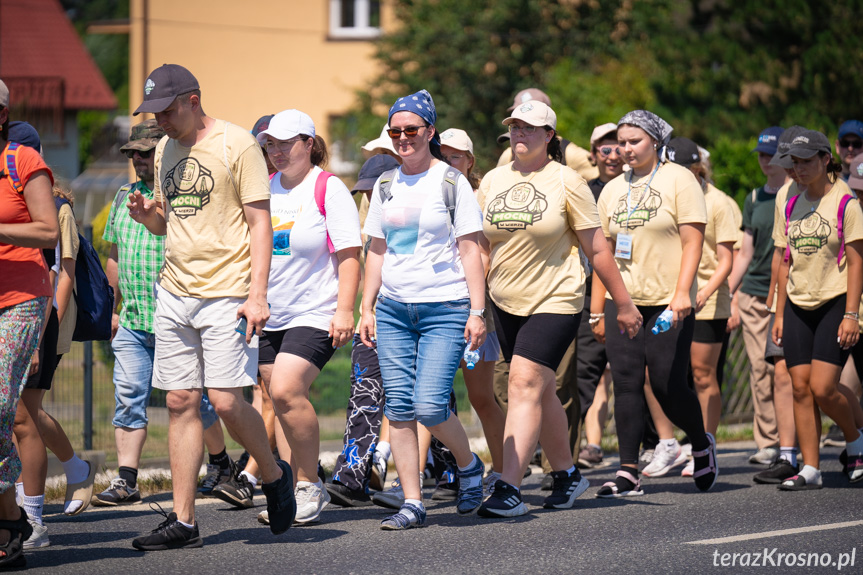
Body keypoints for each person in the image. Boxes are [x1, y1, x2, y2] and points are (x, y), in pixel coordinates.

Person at [126, 64, 295, 549]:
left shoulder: (236, 144)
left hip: (228, 291)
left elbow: (260, 224)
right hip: (175, 290)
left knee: (224, 400)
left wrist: (257, 294)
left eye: (166, 110)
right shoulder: (162, 149)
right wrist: (146, 216)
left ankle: (273, 471)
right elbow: (167, 223)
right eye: (152, 112)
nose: (159, 120)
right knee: (180, 401)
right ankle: (184, 523)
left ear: (193, 99)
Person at [475, 100, 640, 518]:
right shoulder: (492, 181)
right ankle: (567, 474)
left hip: (557, 298)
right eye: (514, 127)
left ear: (549, 136)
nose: (519, 135)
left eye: (529, 128)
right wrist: (473, 303)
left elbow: (597, 247)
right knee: (542, 388)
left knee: (523, 383)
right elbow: (480, 247)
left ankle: (509, 486)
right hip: (505, 300)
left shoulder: (567, 180)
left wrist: (623, 303)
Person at [359, 89, 487, 530]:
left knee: (430, 405)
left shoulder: (452, 183)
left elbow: (470, 250)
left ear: (430, 131)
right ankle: (412, 502)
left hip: (445, 307)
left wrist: (477, 311)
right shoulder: (385, 184)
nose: (402, 138)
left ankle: (469, 466)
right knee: (398, 407)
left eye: (410, 130)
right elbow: (376, 248)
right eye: (394, 131)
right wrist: (367, 306)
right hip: (394, 308)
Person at [93, 120, 230, 508]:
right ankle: (126, 479)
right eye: (133, 153)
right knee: (128, 395)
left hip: (176, 315)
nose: (138, 159)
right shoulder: (122, 197)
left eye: (146, 152)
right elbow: (115, 254)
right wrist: (112, 308)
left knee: (194, 401)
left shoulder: (179, 193)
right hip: (134, 319)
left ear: (165, 153)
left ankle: (220, 464)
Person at [591, 110, 719, 498]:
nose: (626, 149)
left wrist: (683, 294)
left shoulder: (679, 180)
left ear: (655, 142)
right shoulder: (613, 189)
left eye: (635, 142)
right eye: (622, 143)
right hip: (624, 300)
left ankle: (700, 442)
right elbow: (604, 251)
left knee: (666, 383)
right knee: (627, 383)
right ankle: (629, 470)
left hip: (668, 300)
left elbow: (693, 240)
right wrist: (599, 307)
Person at [253, 109, 362, 524]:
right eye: (270, 144)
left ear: (308, 143)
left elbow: (350, 254)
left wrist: (344, 310)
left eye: (284, 142)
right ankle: (293, 491)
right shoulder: (264, 188)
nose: (276, 151)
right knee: (280, 402)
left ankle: (308, 483)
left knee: (284, 390)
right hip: (269, 312)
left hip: (315, 311)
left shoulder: (328, 188)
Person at [640, 137, 737, 478]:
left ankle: (704, 444)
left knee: (702, 374)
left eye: (688, 168)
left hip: (707, 300)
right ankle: (667, 444)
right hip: (672, 297)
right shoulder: (659, 195)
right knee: (658, 373)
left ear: (699, 168)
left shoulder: (719, 202)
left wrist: (706, 291)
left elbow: (727, 259)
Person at [772, 129, 863, 489]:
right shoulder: (788, 197)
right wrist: (778, 314)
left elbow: (857, 263)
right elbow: (783, 259)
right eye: (795, 162)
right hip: (797, 301)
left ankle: (854, 439)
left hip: (835, 299)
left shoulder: (846, 203)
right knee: (799, 386)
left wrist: (852, 314)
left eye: (807, 161)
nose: (800, 169)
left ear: (826, 160)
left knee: (824, 388)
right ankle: (810, 468)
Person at [0, 77, 59, 569]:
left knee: (1, 407)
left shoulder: (22, 161)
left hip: (20, 298)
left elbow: (48, 230)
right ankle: (11, 518)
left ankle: (16, 518)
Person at [326, 154, 400, 507]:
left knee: (426, 403)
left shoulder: (413, 217)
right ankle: (351, 475)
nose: (370, 198)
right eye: (365, 192)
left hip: (417, 321)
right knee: (364, 395)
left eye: (375, 190)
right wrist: (361, 311)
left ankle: (457, 469)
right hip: (372, 322)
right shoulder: (369, 227)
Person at [728, 126, 799, 483]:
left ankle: (795, 437)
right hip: (755, 292)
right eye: (761, 154)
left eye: (771, 154)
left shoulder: (796, 193)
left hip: (789, 292)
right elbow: (746, 251)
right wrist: (729, 291)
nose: (765, 160)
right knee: (761, 368)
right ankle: (769, 441)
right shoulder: (755, 198)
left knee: (787, 370)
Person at [439, 128, 505, 488]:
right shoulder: (428, 188)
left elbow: (485, 254)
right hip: (432, 303)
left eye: (456, 156)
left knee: (481, 396)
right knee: (427, 397)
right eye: (443, 154)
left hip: (473, 307)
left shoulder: (479, 196)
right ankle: (420, 477)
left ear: (469, 161)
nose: (449, 162)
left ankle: (502, 470)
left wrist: (472, 304)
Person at [576, 122, 622, 468]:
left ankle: (653, 443)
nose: (612, 155)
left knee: (635, 374)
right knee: (586, 373)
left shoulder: (636, 189)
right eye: (604, 149)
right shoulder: (584, 191)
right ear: (593, 155)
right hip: (591, 290)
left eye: (618, 147)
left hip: (634, 292)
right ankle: (578, 446)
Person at [496, 88, 599, 180]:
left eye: (530, 126)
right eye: (518, 111)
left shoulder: (569, 153)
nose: (520, 133)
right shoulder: (508, 155)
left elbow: (603, 179)